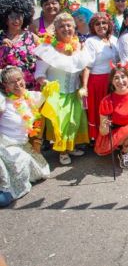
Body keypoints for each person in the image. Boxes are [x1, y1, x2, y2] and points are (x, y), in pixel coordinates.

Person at [34, 13, 91, 165]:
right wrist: (45, 83)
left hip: (74, 92)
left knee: (73, 122)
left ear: (74, 27)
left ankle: (70, 147)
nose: (66, 29)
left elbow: (85, 67)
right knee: (60, 124)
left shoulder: (79, 47)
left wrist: (84, 86)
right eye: (62, 26)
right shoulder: (47, 48)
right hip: (56, 94)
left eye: (69, 25)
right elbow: (39, 73)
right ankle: (62, 151)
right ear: (56, 30)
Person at [0, 67, 50, 207]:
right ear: (5, 86)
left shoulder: (32, 97)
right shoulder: (3, 100)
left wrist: (47, 84)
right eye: (11, 82)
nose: (17, 84)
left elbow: (49, 94)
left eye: (19, 79)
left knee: (21, 162)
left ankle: (8, 191)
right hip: (4, 143)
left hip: (22, 145)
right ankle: (5, 190)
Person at [82, 12, 119, 141]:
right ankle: (99, 139)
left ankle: (113, 137)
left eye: (104, 23)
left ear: (109, 25)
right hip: (97, 82)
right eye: (97, 24)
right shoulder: (91, 41)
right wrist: (84, 87)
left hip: (113, 81)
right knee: (100, 111)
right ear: (93, 27)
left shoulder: (114, 40)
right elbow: (87, 66)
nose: (101, 26)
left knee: (113, 110)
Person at [0, 0, 39, 89]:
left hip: (30, 89)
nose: (16, 20)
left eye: (19, 16)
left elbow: (43, 60)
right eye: (12, 16)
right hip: (8, 91)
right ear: (5, 18)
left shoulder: (32, 37)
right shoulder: (0, 39)